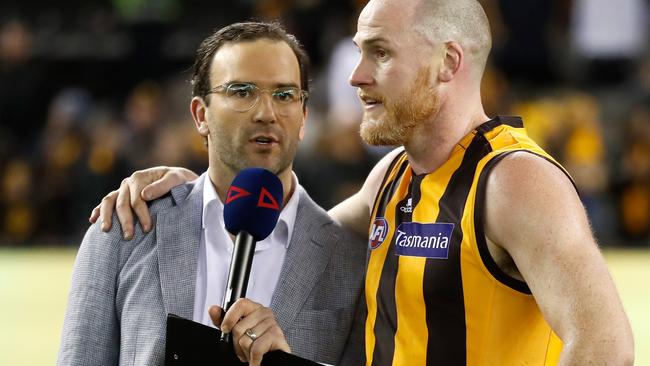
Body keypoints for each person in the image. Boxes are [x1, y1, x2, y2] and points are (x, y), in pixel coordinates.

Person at [96, 0, 635, 364]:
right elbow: (300, 235)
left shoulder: (513, 181)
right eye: (359, 51)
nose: (355, 75)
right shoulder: (392, 179)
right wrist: (198, 192)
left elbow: (605, 347)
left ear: (448, 62)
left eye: (380, 52)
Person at [58, 22, 368, 366]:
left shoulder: (351, 262)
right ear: (200, 115)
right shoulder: (124, 229)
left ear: (304, 115)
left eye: (284, 95)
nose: (267, 113)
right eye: (241, 91)